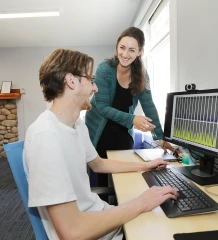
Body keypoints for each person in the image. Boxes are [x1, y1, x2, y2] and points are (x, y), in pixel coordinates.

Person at [23, 48, 178, 240]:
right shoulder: (45, 136)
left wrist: (145, 165)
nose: (95, 89)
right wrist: (140, 203)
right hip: (92, 232)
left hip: (100, 217)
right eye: (91, 80)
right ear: (71, 81)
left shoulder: (77, 125)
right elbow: (72, 233)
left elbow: (99, 164)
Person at [85, 27, 175, 187]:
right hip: (100, 131)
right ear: (117, 47)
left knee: (124, 180)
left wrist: (161, 137)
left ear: (140, 52)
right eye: (122, 48)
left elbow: (149, 106)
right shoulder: (104, 69)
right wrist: (133, 119)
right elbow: (103, 107)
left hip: (123, 130)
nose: (125, 54)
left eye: (131, 50)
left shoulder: (141, 75)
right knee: (103, 181)